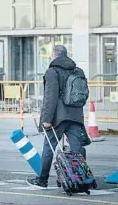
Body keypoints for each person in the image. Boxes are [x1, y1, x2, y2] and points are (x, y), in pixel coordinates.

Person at [27, 45, 87, 188]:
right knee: (77, 148)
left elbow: (51, 97)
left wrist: (46, 119)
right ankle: (79, 179)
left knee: (49, 148)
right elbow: (83, 93)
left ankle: (42, 180)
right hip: (75, 115)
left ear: (54, 55)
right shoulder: (78, 70)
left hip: (58, 118)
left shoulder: (52, 72)